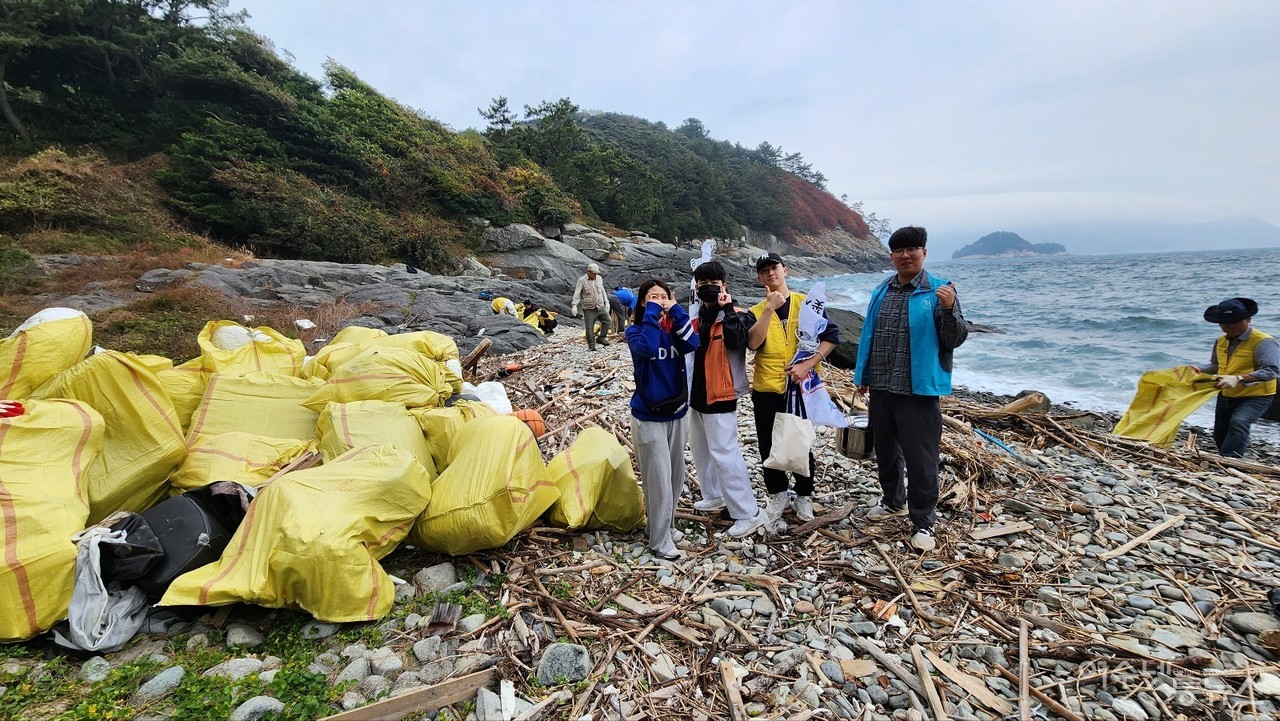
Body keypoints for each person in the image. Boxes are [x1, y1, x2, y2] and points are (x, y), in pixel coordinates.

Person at [855, 226, 968, 552]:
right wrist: (862, 373)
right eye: (899, 250)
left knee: (922, 459)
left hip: (918, 390)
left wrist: (948, 310)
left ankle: (923, 522)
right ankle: (893, 501)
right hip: (881, 386)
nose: (906, 255)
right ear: (891, 256)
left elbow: (955, 339)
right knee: (887, 452)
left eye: (912, 249)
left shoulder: (939, 291)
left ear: (924, 253)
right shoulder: (882, 290)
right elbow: (869, 334)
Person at [747, 252, 840, 523]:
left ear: (785, 270)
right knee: (768, 442)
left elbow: (831, 336)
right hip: (768, 387)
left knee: (801, 440)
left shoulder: (806, 303)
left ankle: (804, 494)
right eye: (764, 271)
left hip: (802, 386)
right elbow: (753, 344)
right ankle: (778, 492)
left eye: (774, 267)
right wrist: (768, 310)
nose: (770, 273)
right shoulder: (755, 310)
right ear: (759, 277)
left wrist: (809, 364)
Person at [687, 261, 768, 537]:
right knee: (700, 449)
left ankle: (748, 512)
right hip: (695, 394)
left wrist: (726, 307)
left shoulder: (738, 315)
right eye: (702, 284)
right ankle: (713, 495)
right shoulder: (697, 316)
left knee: (725, 454)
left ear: (724, 286)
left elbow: (737, 342)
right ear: (696, 288)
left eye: (713, 283)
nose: (707, 288)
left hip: (721, 393)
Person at [626, 279, 699, 560]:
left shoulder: (675, 332)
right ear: (643, 302)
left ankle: (665, 525)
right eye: (652, 297)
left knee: (675, 475)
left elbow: (693, 343)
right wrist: (653, 316)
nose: (658, 300)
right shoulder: (635, 331)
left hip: (677, 412)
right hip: (649, 415)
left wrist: (676, 311)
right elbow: (646, 347)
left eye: (663, 296)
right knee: (657, 479)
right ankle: (659, 540)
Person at [1188, 297, 1278, 458]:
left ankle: (1230, 460)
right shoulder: (1221, 341)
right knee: (1220, 432)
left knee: (1239, 422)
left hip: (1257, 396)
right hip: (1227, 394)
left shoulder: (1263, 341)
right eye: (1223, 323)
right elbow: (1215, 366)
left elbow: (1272, 370)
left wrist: (1239, 378)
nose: (1228, 327)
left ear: (1248, 319)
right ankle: (1225, 457)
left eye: (1233, 322)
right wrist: (1198, 369)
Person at [571, 262, 610, 350]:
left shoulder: (599, 278)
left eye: (597, 273)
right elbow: (577, 293)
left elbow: (602, 290)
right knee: (589, 327)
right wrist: (574, 305)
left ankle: (601, 338)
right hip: (589, 308)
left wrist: (606, 301)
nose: (596, 275)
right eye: (594, 273)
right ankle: (591, 345)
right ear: (589, 272)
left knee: (607, 321)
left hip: (600, 305)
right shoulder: (581, 280)